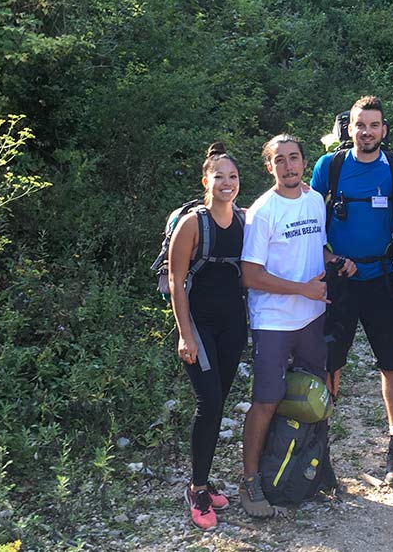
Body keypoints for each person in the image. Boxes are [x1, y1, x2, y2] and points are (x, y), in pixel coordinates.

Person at [239, 134, 355, 518]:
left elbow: (316, 248)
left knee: (317, 394)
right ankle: (251, 481)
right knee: (267, 399)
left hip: (311, 316)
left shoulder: (313, 202)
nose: (288, 166)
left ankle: (315, 468)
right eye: (280, 160)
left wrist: (336, 259)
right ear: (268, 167)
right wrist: (301, 289)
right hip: (273, 320)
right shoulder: (262, 211)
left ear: (305, 162)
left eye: (294, 158)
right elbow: (251, 275)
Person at [310, 95, 393, 487]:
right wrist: (330, 261)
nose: (366, 132)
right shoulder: (329, 166)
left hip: (382, 277)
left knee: (391, 362)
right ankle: (318, 446)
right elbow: (308, 225)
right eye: (359, 125)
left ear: (384, 130)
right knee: (331, 361)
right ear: (347, 128)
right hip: (340, 280)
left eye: (374, 125)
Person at [168, 143, 247, 531]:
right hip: (199, 326)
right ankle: (197, 489)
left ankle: (204, 478)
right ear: (206, 181)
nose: (227, 183)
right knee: (209, 401)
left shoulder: (244, 221)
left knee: (217, 404)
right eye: (219, 177)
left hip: (234, 326)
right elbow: (175, 280)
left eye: (232, 177)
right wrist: (185, 335)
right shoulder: (193, 224)